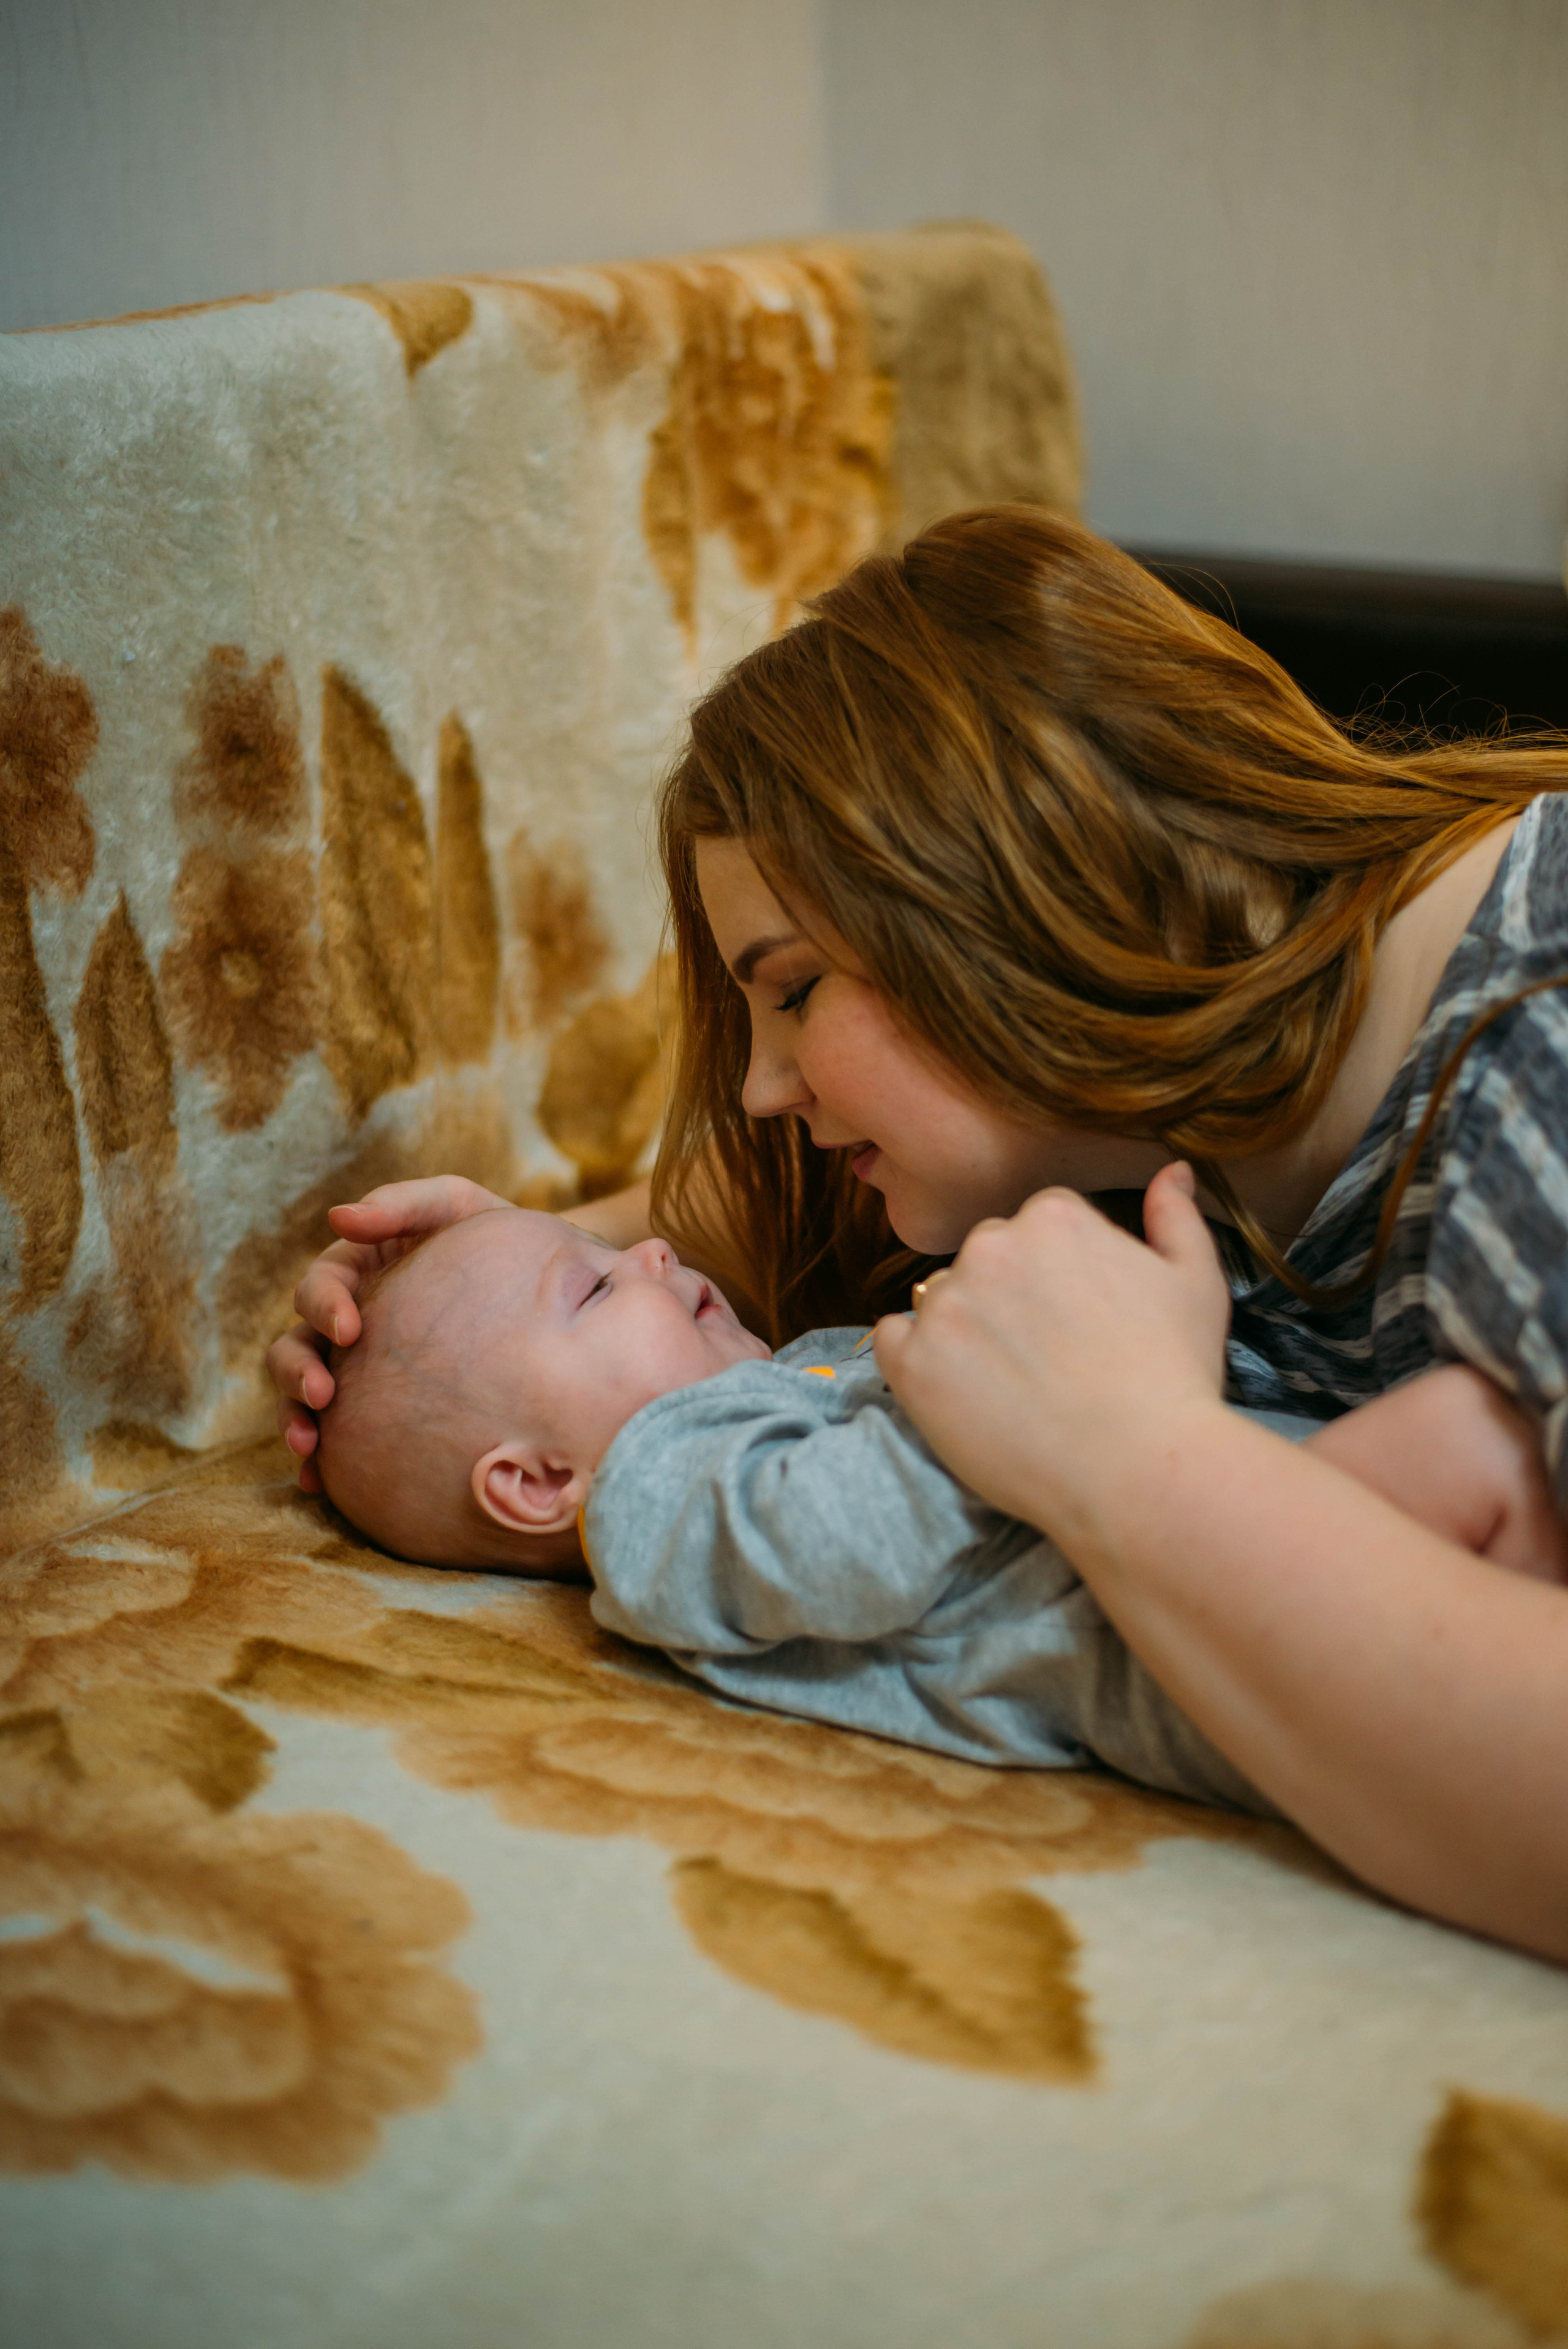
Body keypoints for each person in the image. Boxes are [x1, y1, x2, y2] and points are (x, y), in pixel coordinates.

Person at [271, 505, 1568, 1960]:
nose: (761, 1091)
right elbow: (710, 1233)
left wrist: (1123, 1453)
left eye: (797, 988)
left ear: (1005, 896)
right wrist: (494, 1272)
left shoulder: (1532, 1059)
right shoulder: (1168, 1120)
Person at [308, 1199, 1563, 1818]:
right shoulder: (651, 1500)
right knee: (1471, 1448)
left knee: (1487, 1442)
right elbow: (848, 1549)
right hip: (1183, 1646)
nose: (645, 1252)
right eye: (587, 1292)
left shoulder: (784, 1369)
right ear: (535, 1485)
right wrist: (1015, 1373)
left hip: (1233, 1524)